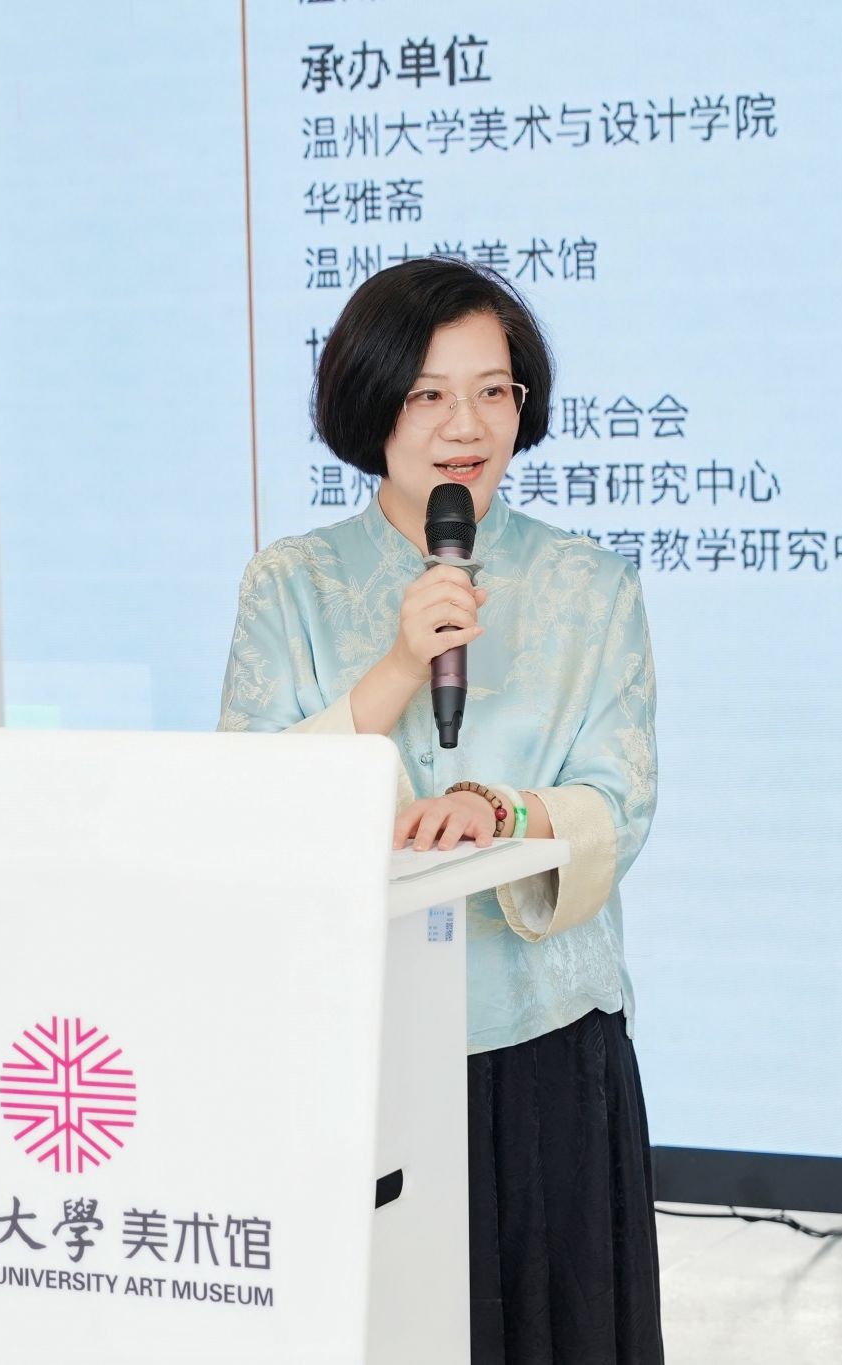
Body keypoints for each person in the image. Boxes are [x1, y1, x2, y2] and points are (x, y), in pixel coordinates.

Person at [218, 257, 662, 1363]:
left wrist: (498, 811)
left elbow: (620, 800)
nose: (466, 425)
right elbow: (247, 806)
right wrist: (396, 667)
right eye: (428, 394)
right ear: (371, 402)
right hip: (355, 1048)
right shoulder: (290, 585)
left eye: (493, 390)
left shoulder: (590, 585)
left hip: (543, 1048)